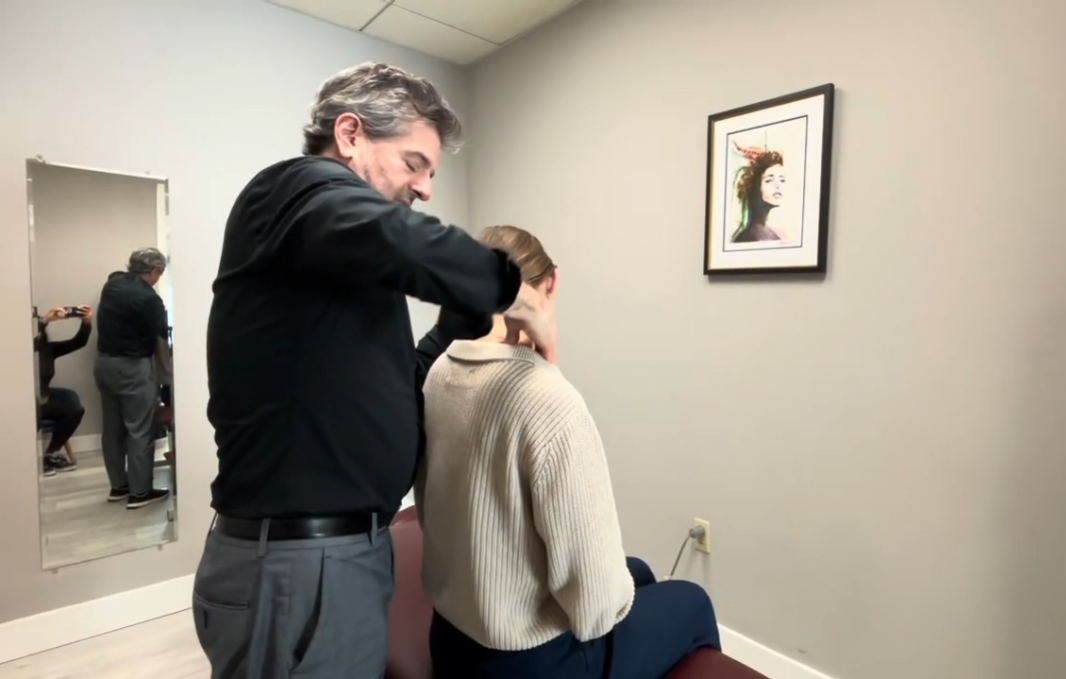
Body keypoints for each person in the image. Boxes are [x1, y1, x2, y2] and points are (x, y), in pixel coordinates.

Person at [194, 62, 554, 678]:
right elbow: (407, 242)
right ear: (352, 134)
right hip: (301, 565)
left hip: (337, 556)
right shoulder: (291, 187)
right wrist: (515, 292)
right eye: (415, 163)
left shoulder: (332, 260)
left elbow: (393, 382)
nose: (425, 189)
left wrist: (453, 328)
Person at [416, 225, 721, 679]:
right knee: (690, 600)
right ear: (551, 283)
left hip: (452, 641)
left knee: (636, 571)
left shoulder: (438, 371)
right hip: (532, 664)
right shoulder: (551, 402)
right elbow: (596, 609)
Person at [93, 248, 171, 509]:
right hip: (132, 367)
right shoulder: (149, 298)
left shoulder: (112, 285)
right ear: (152, 271)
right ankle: (140, 493)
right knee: (139, 430)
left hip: (104, 364)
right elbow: (162, 332)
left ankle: (119, 486)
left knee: (112, 429)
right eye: (159, 273)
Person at [34, 304, 92, 476]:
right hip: (23, 403)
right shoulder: (21, 349)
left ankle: (51, 454)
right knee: (34, 407)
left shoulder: (48, 350)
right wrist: (45, 320)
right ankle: (30, 460)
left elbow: (78, 342)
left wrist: (86, 321)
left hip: (43, 398)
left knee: (73, 407)